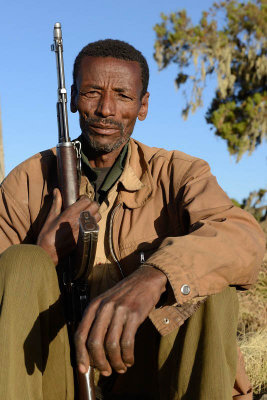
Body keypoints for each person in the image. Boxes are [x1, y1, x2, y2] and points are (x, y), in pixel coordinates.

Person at [0, 39, 265, 400]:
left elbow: (243, 237)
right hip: (50, 374)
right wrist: (44, 255)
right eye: (93, 92)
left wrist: (154, 276)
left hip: (150, 373)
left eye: (123, 95)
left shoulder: (179, 173)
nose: (106, 109)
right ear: (75, 97)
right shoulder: (28, 180)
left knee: (210, 285)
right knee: (22, 261)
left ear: (143, 106)